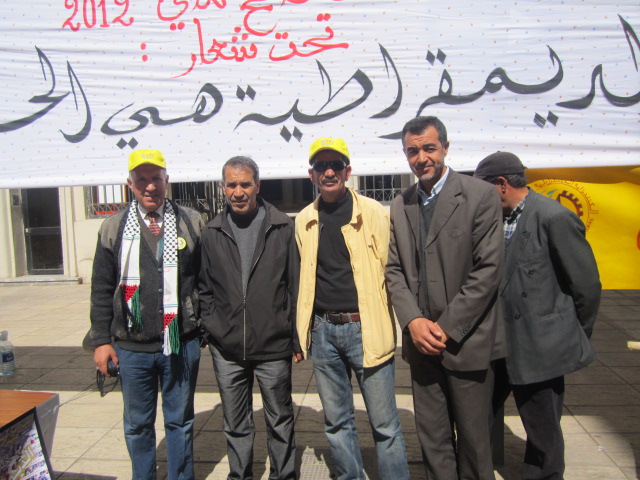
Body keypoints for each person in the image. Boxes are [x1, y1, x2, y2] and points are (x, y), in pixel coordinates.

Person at [385, 116, 506, 480]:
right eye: (412, 151)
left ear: (446, 148)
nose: (421, 158)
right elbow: (394, 270)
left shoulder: (479, 195)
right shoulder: (401, 204)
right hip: (421, 346)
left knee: (474, 445)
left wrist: (446, 327)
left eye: (429, 148)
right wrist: (413, 321)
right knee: (433, 443)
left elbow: (488, 271)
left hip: (466, 342)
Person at [474, 151, 601, 479]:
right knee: (477, 417)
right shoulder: (493, 219)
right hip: (496, 344)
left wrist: (570, 334)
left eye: (483, 189)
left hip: (540, 347)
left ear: (501, 185)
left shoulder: (553, 217)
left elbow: (586, 286)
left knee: (542, 431)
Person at [296, 138, 409, 480]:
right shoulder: (304, 219)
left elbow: (393, 271)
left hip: (366, 328)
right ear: (312, 174)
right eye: (321, 166)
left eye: (335, 165)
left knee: (385, 425)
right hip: (323, 332)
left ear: (348, 171)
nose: (328, 172)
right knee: (336, 422)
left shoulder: (374, 213)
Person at [89, 149, 204, 480]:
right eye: (142, 180)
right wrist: (101, 340)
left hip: (179, 343)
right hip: (131, 347)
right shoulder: (113, 227)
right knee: (138, 424)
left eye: (156, 178)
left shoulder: (191, 222)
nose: (150, 186)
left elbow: (204, 280)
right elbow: (101, 288)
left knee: (180, 421)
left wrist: (200, 326)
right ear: (130, 184)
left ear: (167, 180)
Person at [198, 156, 299, 480]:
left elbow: (294, 285)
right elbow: (204, 287)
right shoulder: (211, 232)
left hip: (273, 345)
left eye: (245, 184)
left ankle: (284, 475)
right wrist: (212, 327)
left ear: (258, 185)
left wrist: (294, 335)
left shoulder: (282, 227)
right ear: (222, 187)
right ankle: (240, 475)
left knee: (280, 420)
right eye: (232, 185)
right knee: (235, 423)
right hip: (227, 348)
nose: (238, 192)